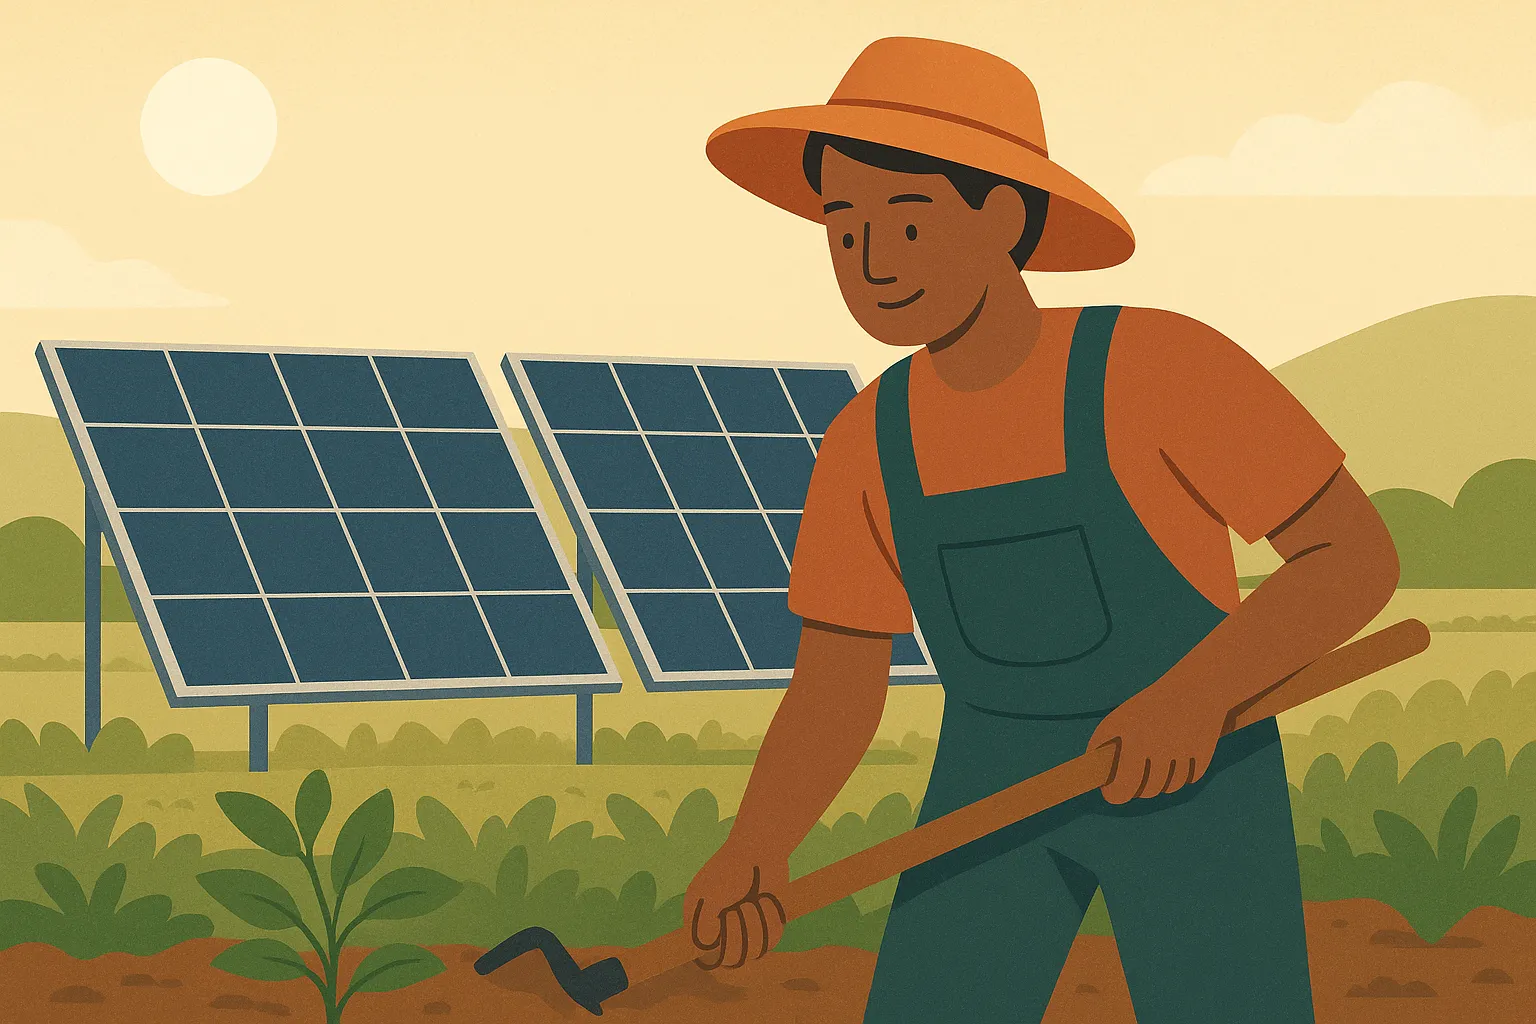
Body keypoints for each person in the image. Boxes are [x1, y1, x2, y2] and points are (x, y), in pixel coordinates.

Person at [686, 36, 1400, 1023]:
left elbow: (1353, 559)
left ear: (1004, 214)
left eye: (909, 219)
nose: (872, 260)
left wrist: (1191, 700)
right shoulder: (865, 442)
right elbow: (836, 681)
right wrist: (756, 843)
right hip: (989, 796)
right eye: (843, 228)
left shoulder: (1158, 367)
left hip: (1199, 777)